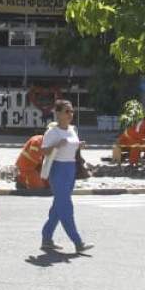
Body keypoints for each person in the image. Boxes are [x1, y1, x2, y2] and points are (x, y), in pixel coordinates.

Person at [37, 99, 91, 254]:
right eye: (67, 111)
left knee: (58, 206)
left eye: (72, 111)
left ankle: (46, 238)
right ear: (58, 113)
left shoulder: (72, 129)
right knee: (66, 206)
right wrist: (56, 146)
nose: (70, 114)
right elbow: (44, 151)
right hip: (58, 169)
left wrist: (79, 145)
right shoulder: (52, 132)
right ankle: (78, 242)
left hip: (70, 168)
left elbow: (72, 147)